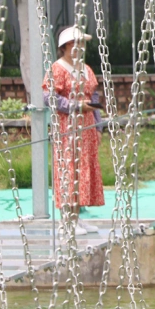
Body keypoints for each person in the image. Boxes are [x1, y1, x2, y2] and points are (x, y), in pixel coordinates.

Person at [43, 26, 105, 236]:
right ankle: (66, 220)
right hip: (67, 127)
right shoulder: (57, 69)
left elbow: (93, 97)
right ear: (67, 46)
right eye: (76, 44)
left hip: (86, 128)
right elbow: (49, 97)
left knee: (84, 169)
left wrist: (98, 126)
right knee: (69, 169)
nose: (80, 48)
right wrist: (75, 105)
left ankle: (76, 217)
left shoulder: (86, 69)